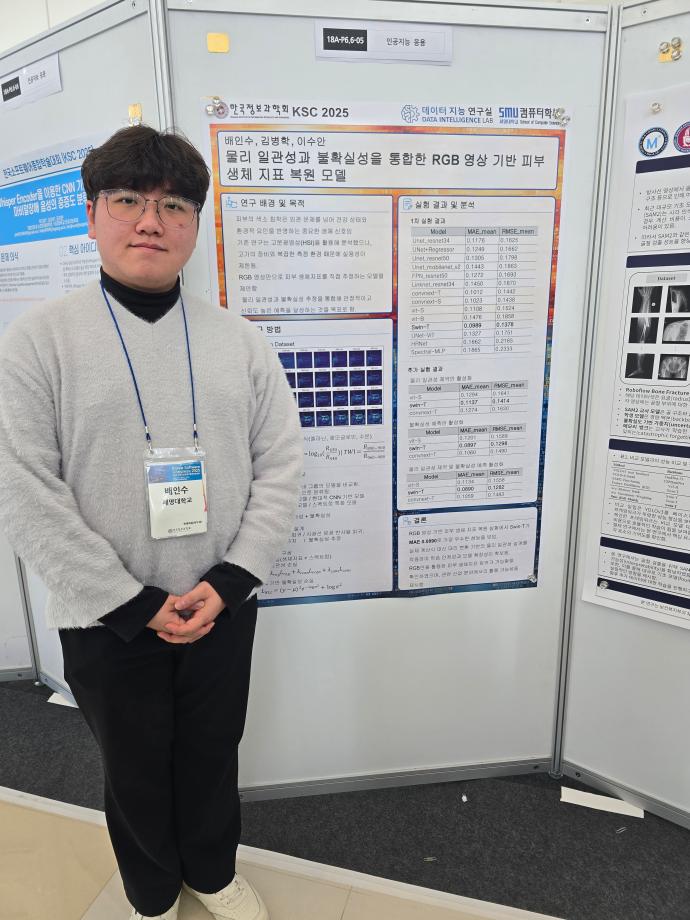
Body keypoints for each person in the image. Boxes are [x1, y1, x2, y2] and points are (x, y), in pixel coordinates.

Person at [0, 126, 303, 920]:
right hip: (106, 615)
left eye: (174, 206)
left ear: (195, 224)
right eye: (128, 199)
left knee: (211, 754)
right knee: (132, 766)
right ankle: (150, 892)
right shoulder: (38, 342)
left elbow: (281, 465)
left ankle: (211, 872)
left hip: (219, 604)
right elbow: (24, 489)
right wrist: (129, 601)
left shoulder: (240, 342)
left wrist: (232, 579)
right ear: (91, 213)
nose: (150, 222)